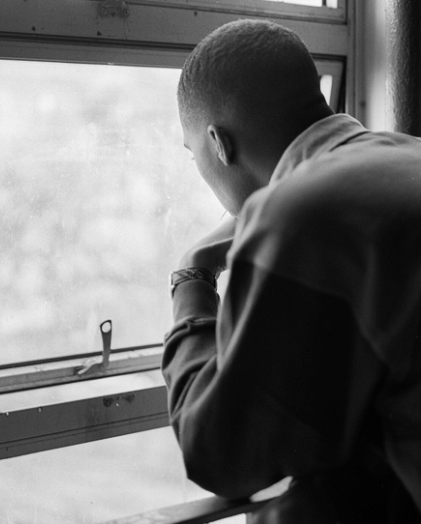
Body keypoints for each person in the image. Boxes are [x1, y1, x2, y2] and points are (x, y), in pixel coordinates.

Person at [162, 19, 421, 523]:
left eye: (195, 154)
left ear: (219, 144)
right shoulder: (409, 156)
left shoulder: (304, 216)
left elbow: (220, 452)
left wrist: (191, 276)